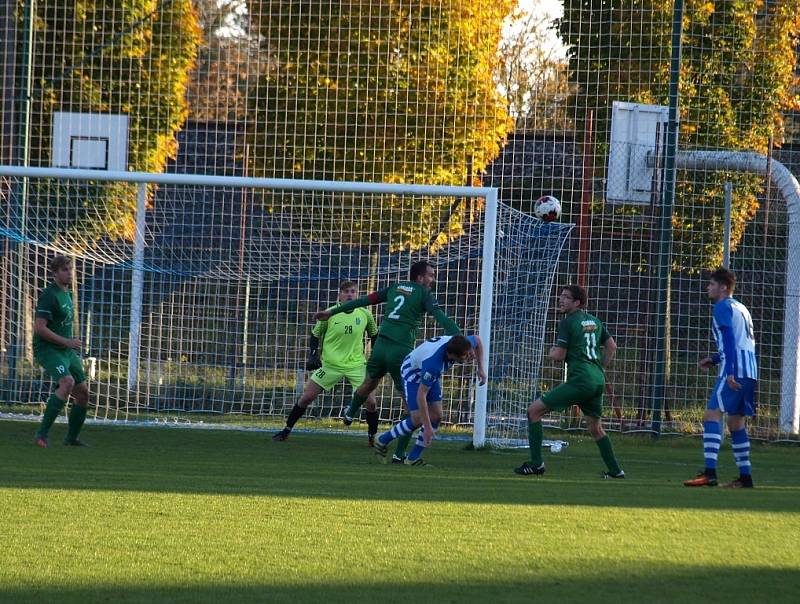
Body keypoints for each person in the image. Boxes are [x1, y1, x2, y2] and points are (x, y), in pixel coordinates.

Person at [313, 261, 461, 460]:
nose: (432, 280)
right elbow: (439, 316)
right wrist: (459, 337)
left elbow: (363, 300)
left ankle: (350, 411)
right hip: (400, 352)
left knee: (369, 382)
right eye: (430, 276)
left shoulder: (394, 287)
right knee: (413, 411)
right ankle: (399, 454)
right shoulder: (424, 294)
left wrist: (332, 312)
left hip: (380, 346)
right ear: (419, 277)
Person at [514, 284, 624, 478]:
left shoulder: (567, 322)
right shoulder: (594, 321)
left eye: (566, 297)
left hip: (580, 380)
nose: (561, 300)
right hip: (597, 379)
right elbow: (612, 346)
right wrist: (600, 366)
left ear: (577, 302)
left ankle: (536, 464)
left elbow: (559, 354)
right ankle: (616, 471)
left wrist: (549, 353)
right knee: (596, 429)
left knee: (533, 411)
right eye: (561, 296)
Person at [273, 281, 378, 443]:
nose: (350, 294)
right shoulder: (329, 313)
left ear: (357, 294)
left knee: (371, 402)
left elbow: (374, 335)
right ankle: (286, 430)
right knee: (306, 397)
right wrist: (313, 355)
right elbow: (315, 335)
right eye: (346, 292)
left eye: (353, 291)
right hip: (330, 365)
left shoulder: (365, 314)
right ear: (340, 295)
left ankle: (372, 438)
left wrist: (375, 357)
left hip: (356, 365)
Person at [684, 268, 757, 489]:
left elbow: (729, 339)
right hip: (751, 370)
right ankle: (745, 478)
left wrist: (730, 371)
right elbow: (741, 342)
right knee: (736, 423)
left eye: (712, 284)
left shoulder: (722, 307)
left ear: (723, 287)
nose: (708, 287)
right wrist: (715, 359)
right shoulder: (740, 307)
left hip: (735, 370)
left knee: (711, 415)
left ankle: (709, 473)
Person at [373, 334, 487, 465]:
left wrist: (481, 369)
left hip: (426, 371)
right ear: (451, 356)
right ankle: (382, 439)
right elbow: (421, 396)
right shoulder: (434, 365)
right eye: (466, 355)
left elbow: (477, 339)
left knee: (437, 416)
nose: (470, 355)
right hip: (413, 374)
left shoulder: (460, 345)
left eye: (469, 352)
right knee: (417, 419)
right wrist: (427, 428)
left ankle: (412, 458)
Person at [33, 255, 89, 448]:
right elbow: (39, 328)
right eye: (64, 270)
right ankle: (42, 434)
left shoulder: (68, 293)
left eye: (70, 269)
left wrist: (69, 343)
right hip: (48, 349)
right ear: (54, 273)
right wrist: (67, 341)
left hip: (65, 351)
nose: (69, 273)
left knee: (83, 394)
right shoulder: (50, 295)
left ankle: (71, 439)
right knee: (67, 383)